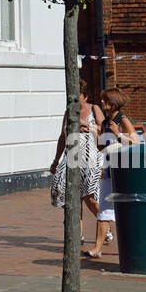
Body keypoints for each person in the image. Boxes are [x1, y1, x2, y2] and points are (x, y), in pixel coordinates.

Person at [87, 88, 140, 259]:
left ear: (113, 102)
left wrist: (118, 134)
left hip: (124, 170)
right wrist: (96, 134)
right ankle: (97, 248)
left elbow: (136, 144)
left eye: (105, 100)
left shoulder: (122, 120)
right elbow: (102, 147)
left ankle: (134, 245)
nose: (102, 103)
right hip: (108, 170)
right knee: (103, 208)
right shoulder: (104, 123)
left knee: (127, 208)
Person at [50, 80, 104, 241]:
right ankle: (77, 235)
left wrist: (86, 125)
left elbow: (105, 130)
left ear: (85, 96)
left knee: (90, 197)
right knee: (73, 198)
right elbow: (62, 137)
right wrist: (55, 160)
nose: (73, 99)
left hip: (92, 159)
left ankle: (105, 226)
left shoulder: (94, 109)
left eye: (77, 96)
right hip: (72, 158)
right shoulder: (68, 113)